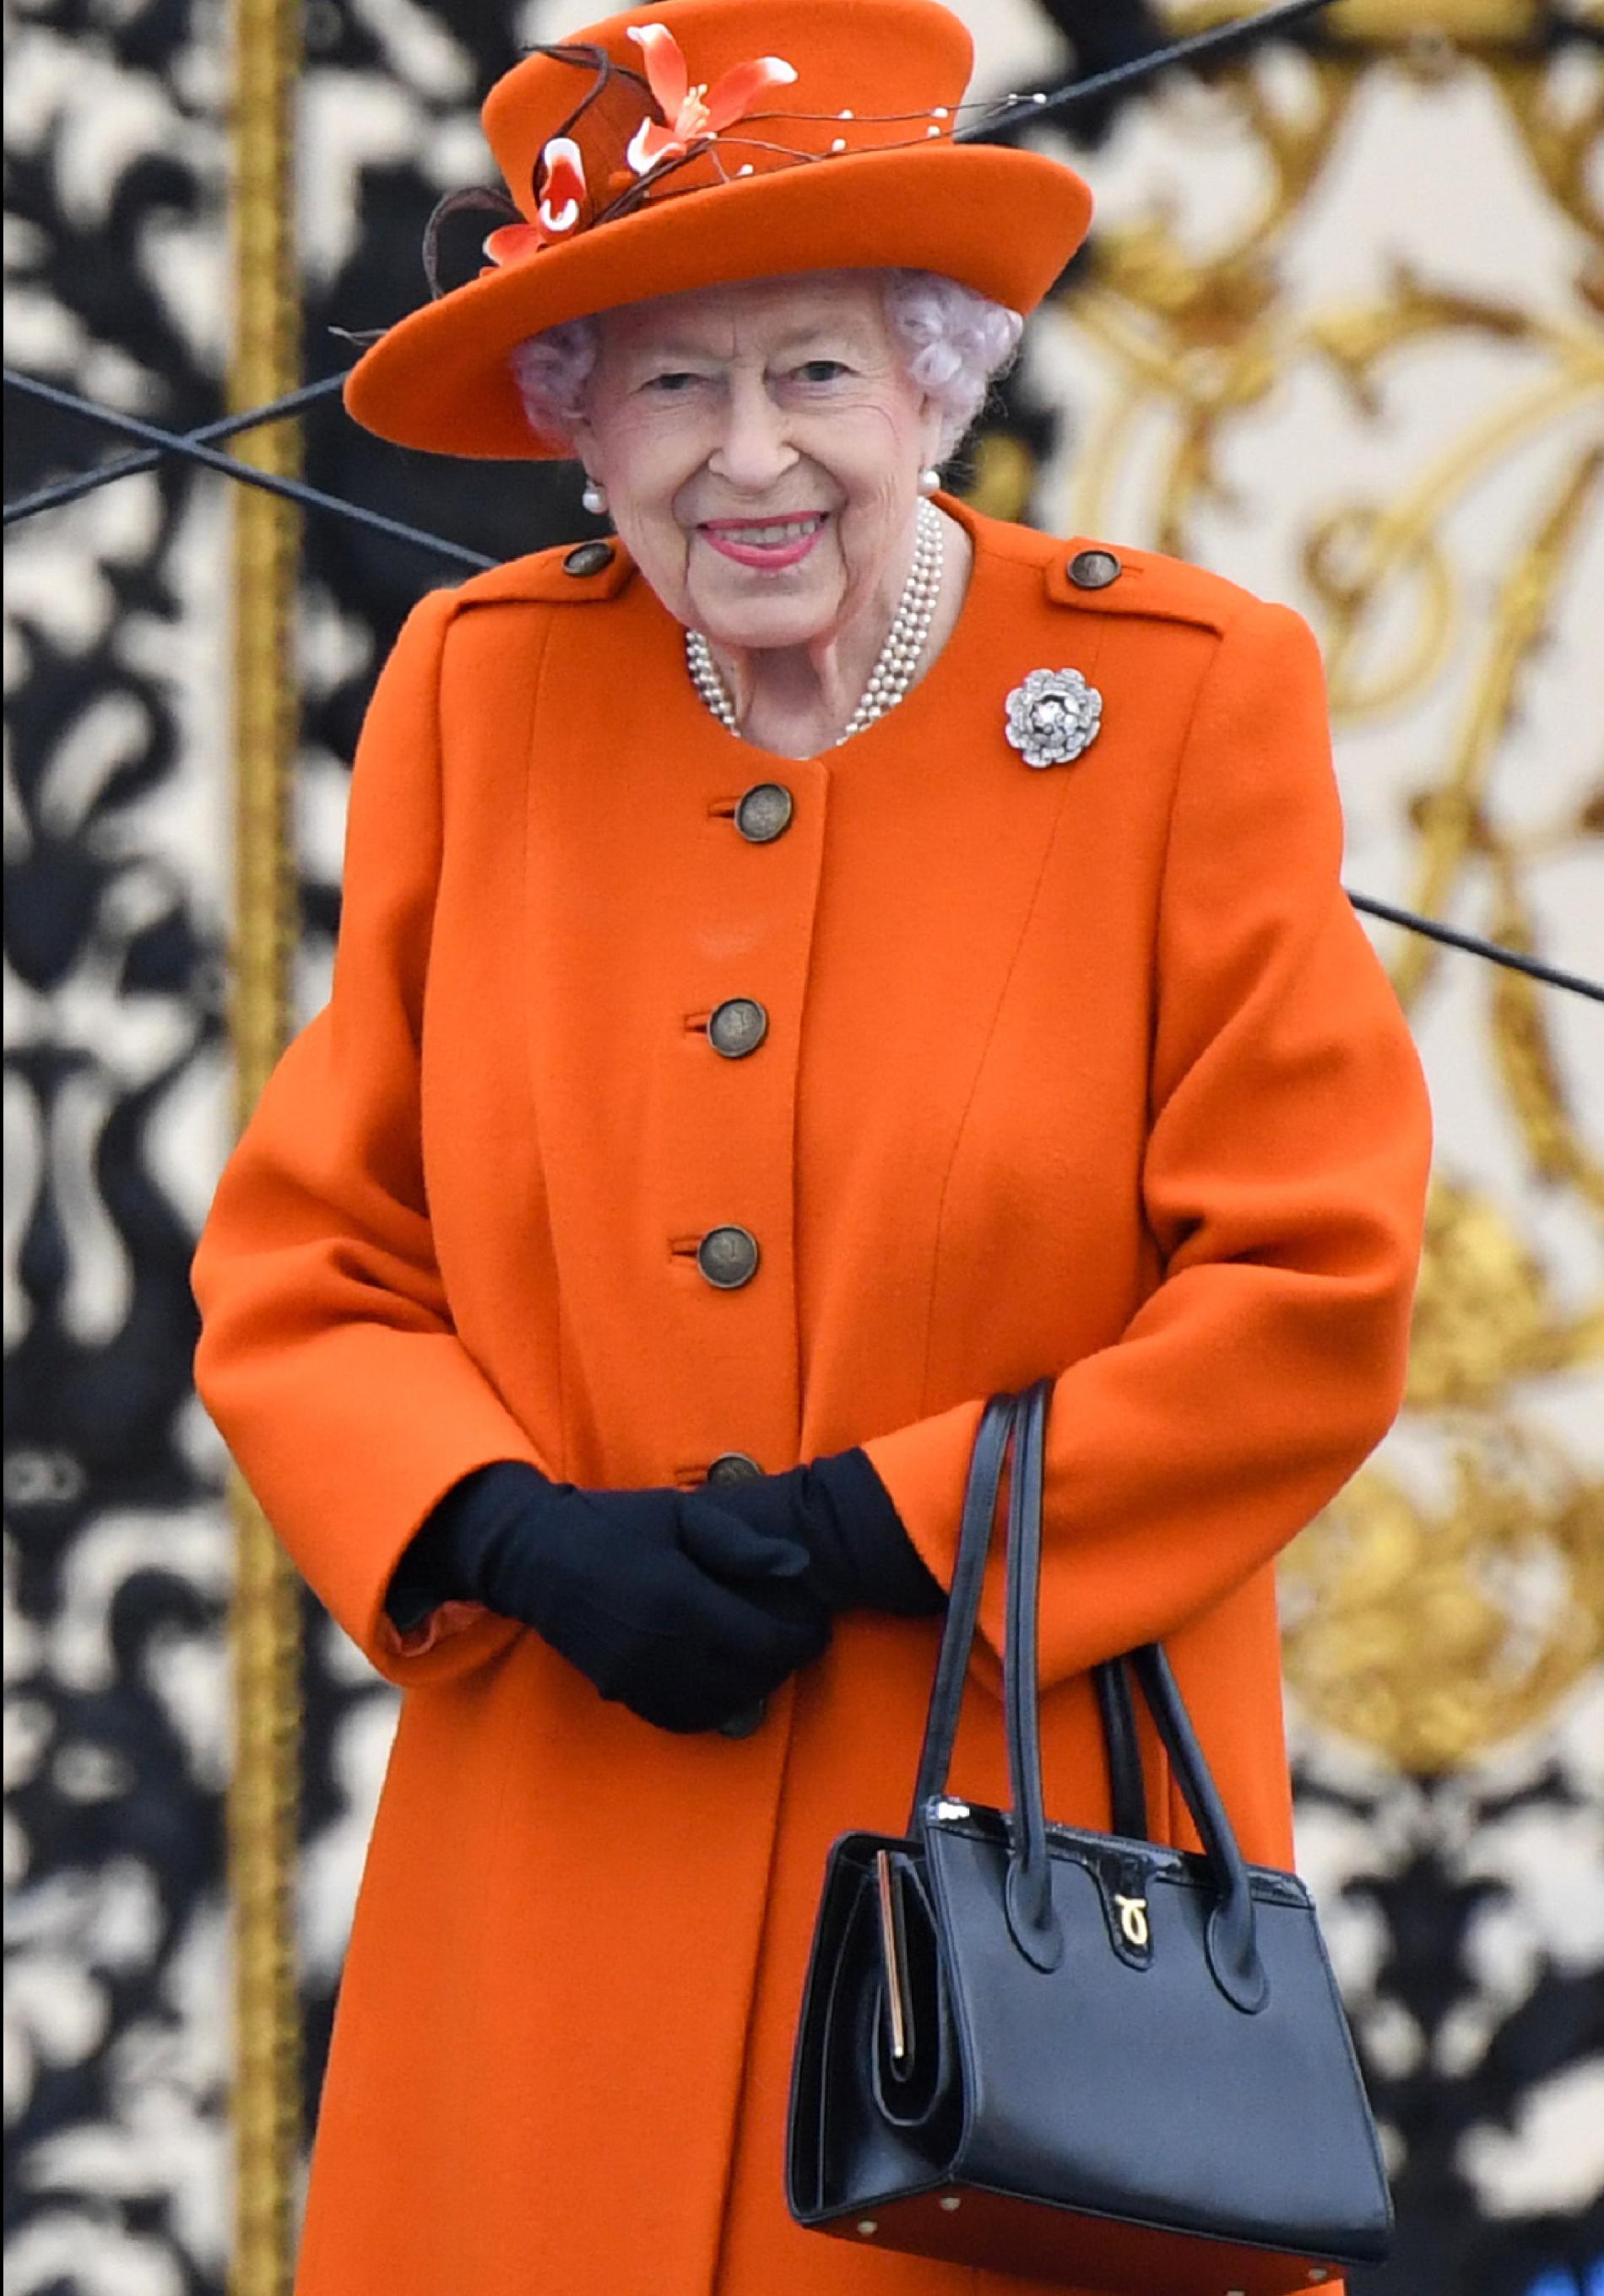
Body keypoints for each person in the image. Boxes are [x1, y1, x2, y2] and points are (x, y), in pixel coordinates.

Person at [188, 1, 1433, 2288]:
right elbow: (310, 1265)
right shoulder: (480, 693)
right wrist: (499, 1528)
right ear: (575, 427)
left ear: (932, 385)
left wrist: (889, 1523)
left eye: (816, 373)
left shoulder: (1170, 695)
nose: (746, 455)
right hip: (548, 1853)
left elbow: (1310, 1285)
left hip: (1001, 1896)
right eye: (668, 382)